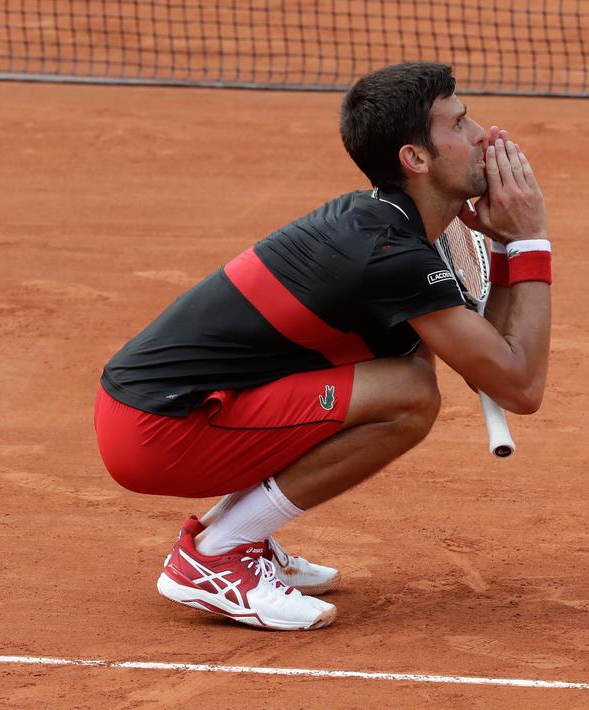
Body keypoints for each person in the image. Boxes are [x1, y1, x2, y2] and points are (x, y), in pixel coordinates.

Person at [94, 62, 552, 631]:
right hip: (155, 429)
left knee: (403, 365)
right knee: (408, 393)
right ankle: (216, 556)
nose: (483, 133)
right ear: (415, 158)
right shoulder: (390, 255)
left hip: (164, 406)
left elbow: (490, 363)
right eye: (459, 124)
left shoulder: (391, 228)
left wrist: (508, 246)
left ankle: (232, 537)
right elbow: (520, 385)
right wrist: (531, 237)